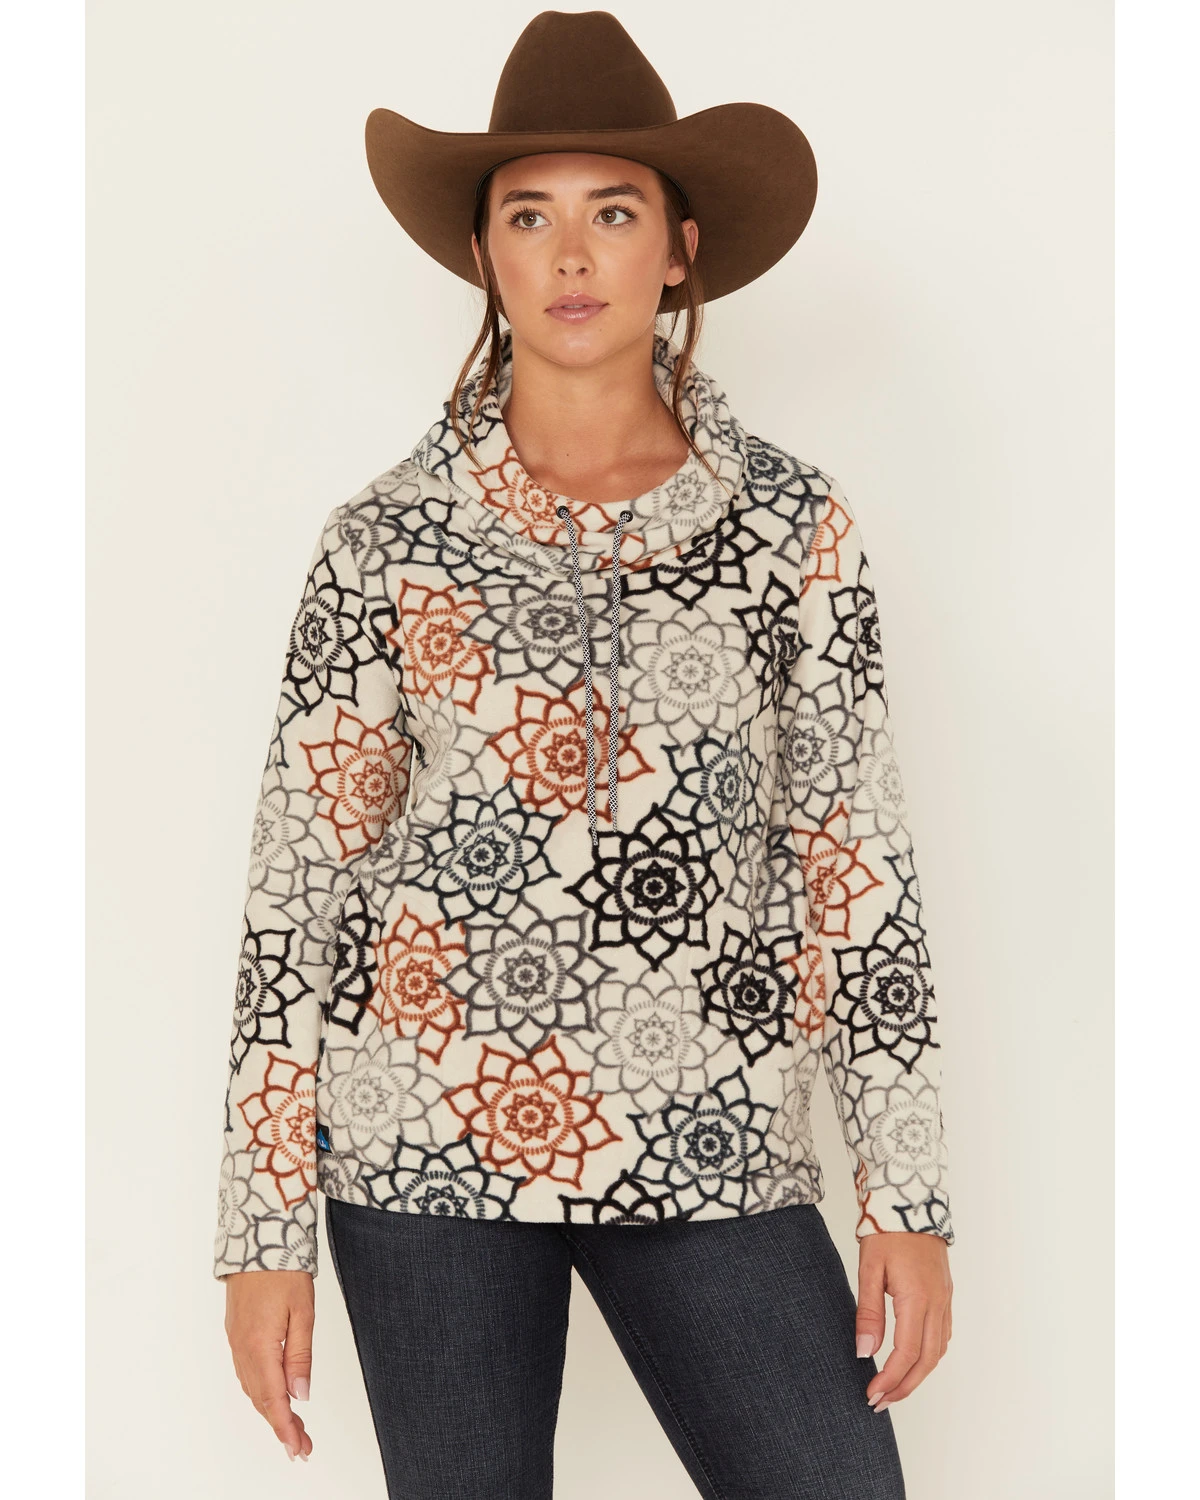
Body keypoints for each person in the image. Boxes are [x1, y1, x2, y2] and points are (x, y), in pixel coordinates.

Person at [214, 11, 954, 1497]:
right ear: (483, 255)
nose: (569, 254)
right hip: (423, 1145)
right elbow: (300, 894)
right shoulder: (384, 542)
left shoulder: (790, 529)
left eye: (612, 214)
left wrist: (909, 1197)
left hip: (712, 1132)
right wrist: (261, 1232)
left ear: (679, 251)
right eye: (527, 216)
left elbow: (854, 865)